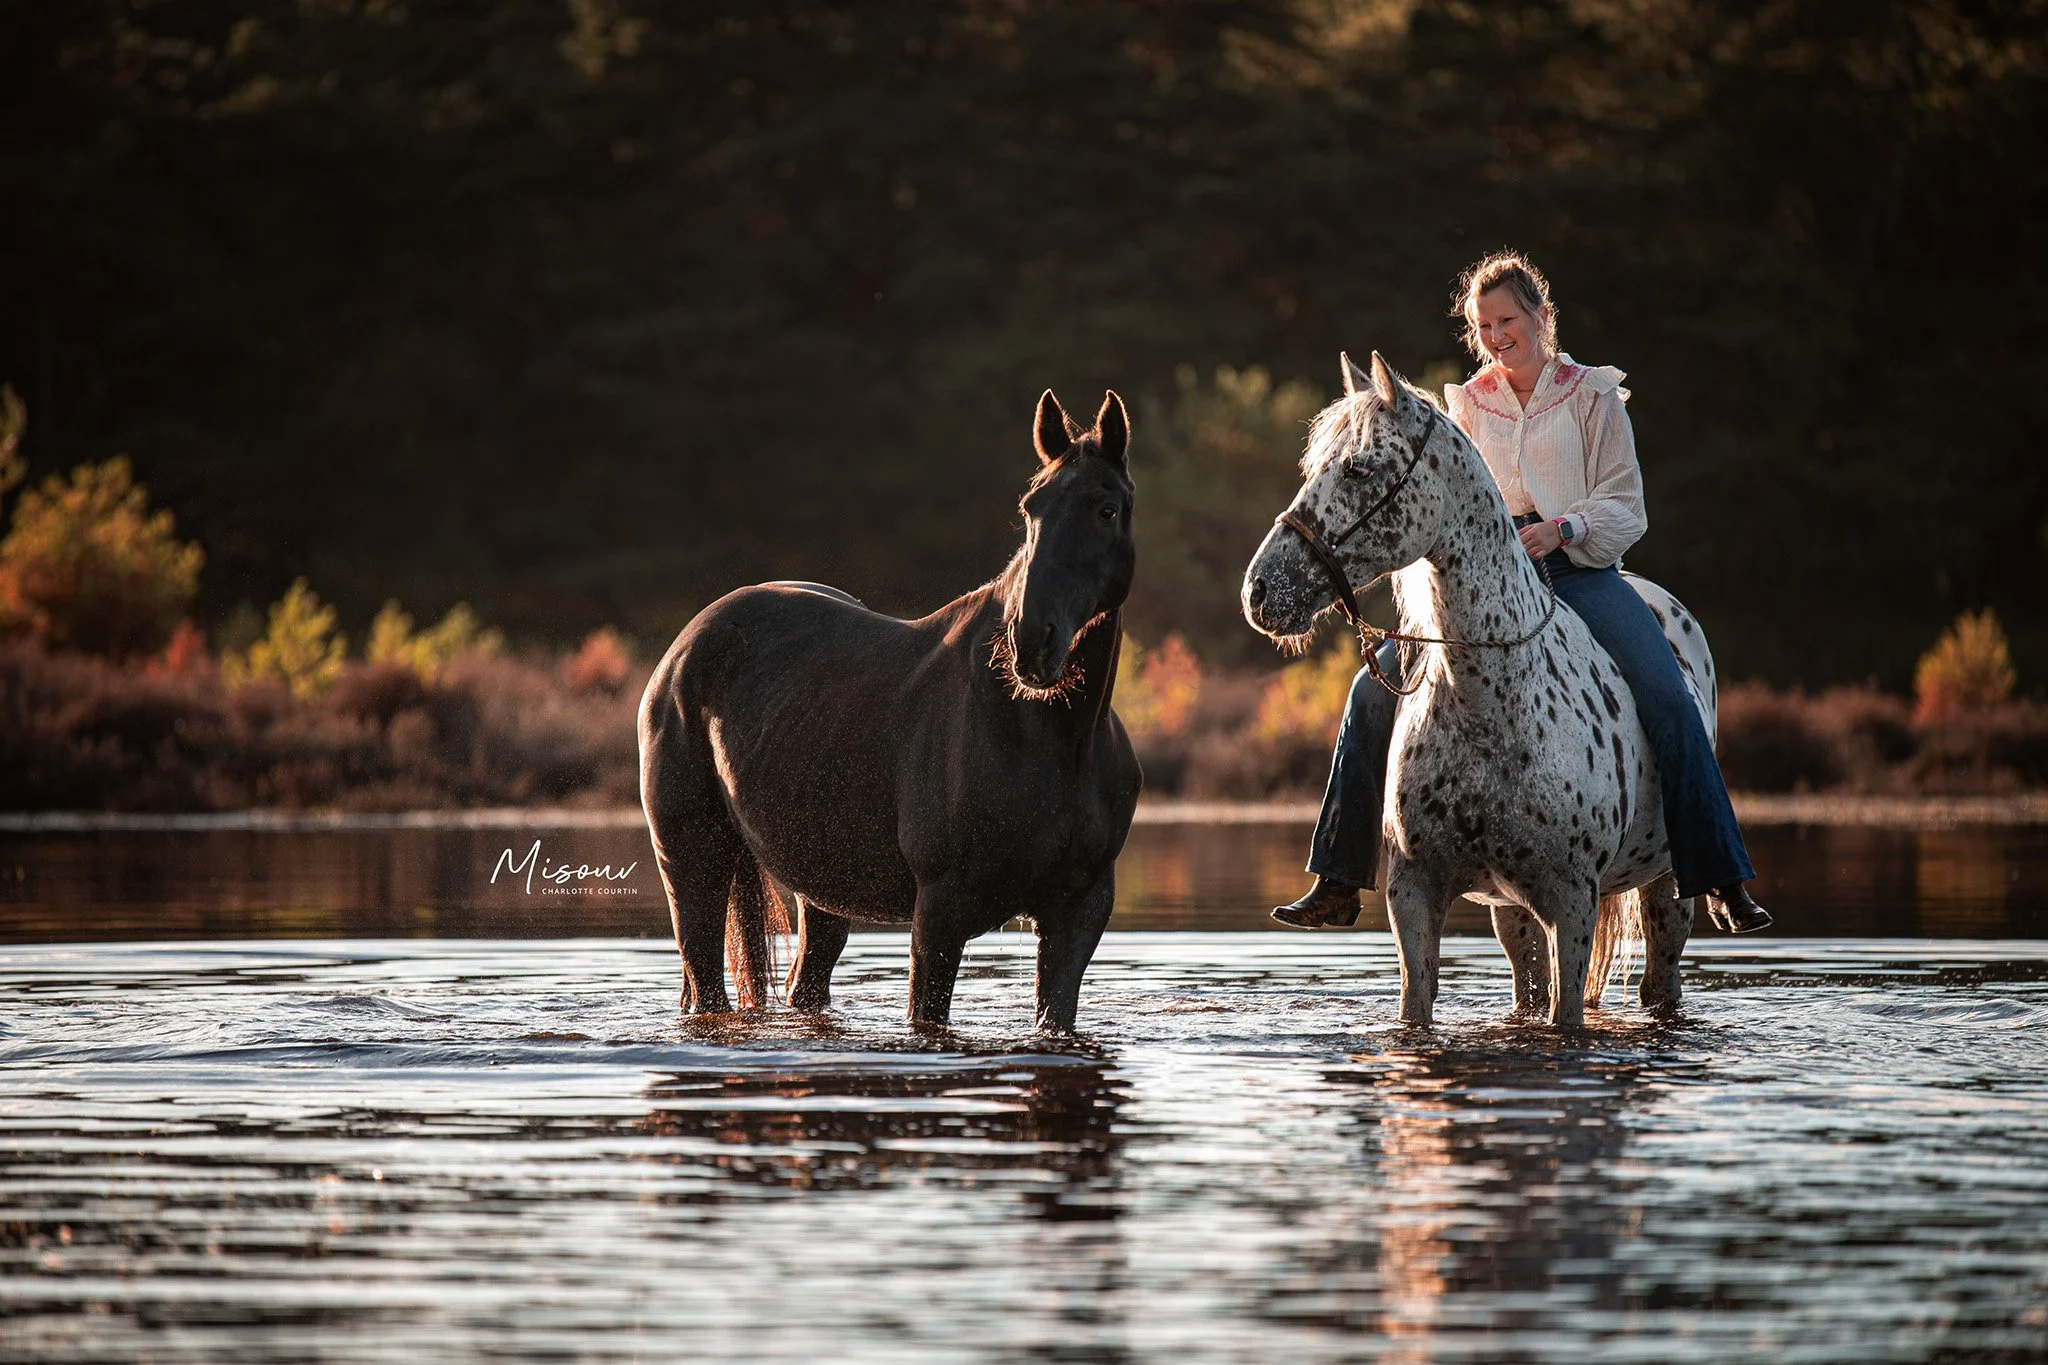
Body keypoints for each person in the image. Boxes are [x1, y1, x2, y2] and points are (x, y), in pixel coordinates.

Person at [1272, 251, 1772, 936]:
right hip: (1483, 589)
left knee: (1667, 694)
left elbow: (1627, 507)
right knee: (1368, 694)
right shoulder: (1467, 405)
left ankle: (1720, 874)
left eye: (1506, 319)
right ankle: (1337, 880)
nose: (1496, 335)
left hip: (1581, 573)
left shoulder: (1594, 395)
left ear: (1541, 315)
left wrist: (1562, 528)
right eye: (1482, 325)